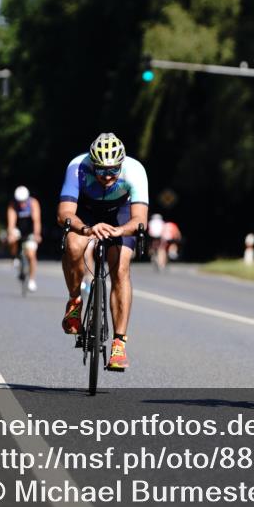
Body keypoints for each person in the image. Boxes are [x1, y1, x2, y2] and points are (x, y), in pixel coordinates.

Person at [58, 133, 148, 372]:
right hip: (86, 212)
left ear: (122, 164)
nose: (107, 177)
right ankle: (75, 301)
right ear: (92, 163)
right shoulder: (77, 167)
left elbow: (140, 219)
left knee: (120, 267)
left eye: (113, 171)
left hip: (121, 214)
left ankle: (119, 344)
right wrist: (87, 229)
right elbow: (65, 213)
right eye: (101, 171)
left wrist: (119, 231)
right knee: (74, 245)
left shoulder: (135, 170)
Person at [7, 186, 42, 292]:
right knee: (11, 240)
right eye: (19, 201)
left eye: (23, 201)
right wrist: (11, 234)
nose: (21, 204)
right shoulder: (13, 205)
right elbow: (11, 224)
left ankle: (31, 280)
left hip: (30, 231)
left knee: (31, 255)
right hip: (18, 229)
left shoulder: (33, 203)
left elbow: (36, 221)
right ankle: (15, 257)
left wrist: (37, 234)